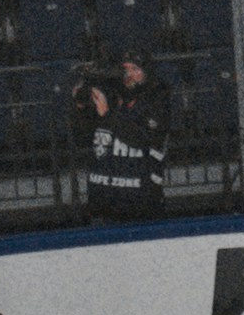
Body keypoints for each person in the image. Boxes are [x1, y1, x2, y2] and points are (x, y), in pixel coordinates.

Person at [71, 53, 170, 216]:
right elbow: (82, 137)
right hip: (101, 200)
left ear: (147, 73)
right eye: (125, 69)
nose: (129, 74)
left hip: (140, 203)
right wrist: (81, 106)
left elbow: (141, 139)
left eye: (135, 69)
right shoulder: (110, 99)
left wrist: (107, 116)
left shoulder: (157, 102)